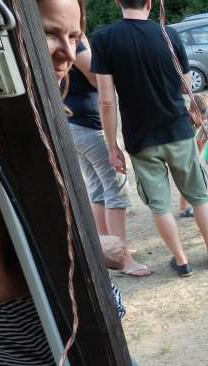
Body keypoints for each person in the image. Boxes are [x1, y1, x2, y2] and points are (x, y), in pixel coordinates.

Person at [0, 0, 179, 366]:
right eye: (51, 33)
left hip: (72, 323)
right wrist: (89, 248)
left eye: (75, 37)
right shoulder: (6, 123)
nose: (67, 51)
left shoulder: (38, 109)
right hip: (43, 335)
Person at [91, 0, 208, 277]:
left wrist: (112, 146)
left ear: (118, 2)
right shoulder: (169, 34)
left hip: (140, 138)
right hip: (178, 131)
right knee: (199, 195)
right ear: (149, 3)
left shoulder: (104, 39)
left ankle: (181, 261)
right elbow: (186, 84)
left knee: (159, 204)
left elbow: (106, 101)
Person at [64, 36, 150, 277]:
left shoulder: (55, 38)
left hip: (73, 124)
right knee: (115, 188)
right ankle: (123, 259)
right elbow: (97, 78)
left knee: (98, 188)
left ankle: (107, 249)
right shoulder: (75, 41)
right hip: (89, 126)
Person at [179, 93, 208, 218]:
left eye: (205, 119)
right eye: (201, 118)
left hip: (191, 151)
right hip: (182, 153)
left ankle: (195, 204)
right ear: (192, 112)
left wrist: (205, 133)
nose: (203, 121)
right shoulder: (185, 124)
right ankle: (183, 209)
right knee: (187, 178)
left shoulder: (199, 124)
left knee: (195, 175)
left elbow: (198, 149)